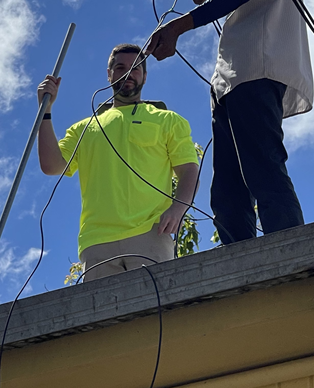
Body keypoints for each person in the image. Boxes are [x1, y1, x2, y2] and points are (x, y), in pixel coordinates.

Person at [147, 0, 314, 244]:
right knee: (228, 187)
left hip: (256, 65)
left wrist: (176, 27)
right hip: (232, 79)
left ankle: (291, 251)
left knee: (263, 169)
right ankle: (239, 262)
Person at [36, 43, 200, 281]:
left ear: (144, 75)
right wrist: (46, 111)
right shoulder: (83, 128)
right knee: (106, 319)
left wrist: (178, 208)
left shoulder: (168, 120)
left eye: (135, 68)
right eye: (120, 67)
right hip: (97, 243)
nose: (128, 73)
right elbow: (51, 166)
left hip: (151, 233)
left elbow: (188, 171)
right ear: (109, 73)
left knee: (160, 316)